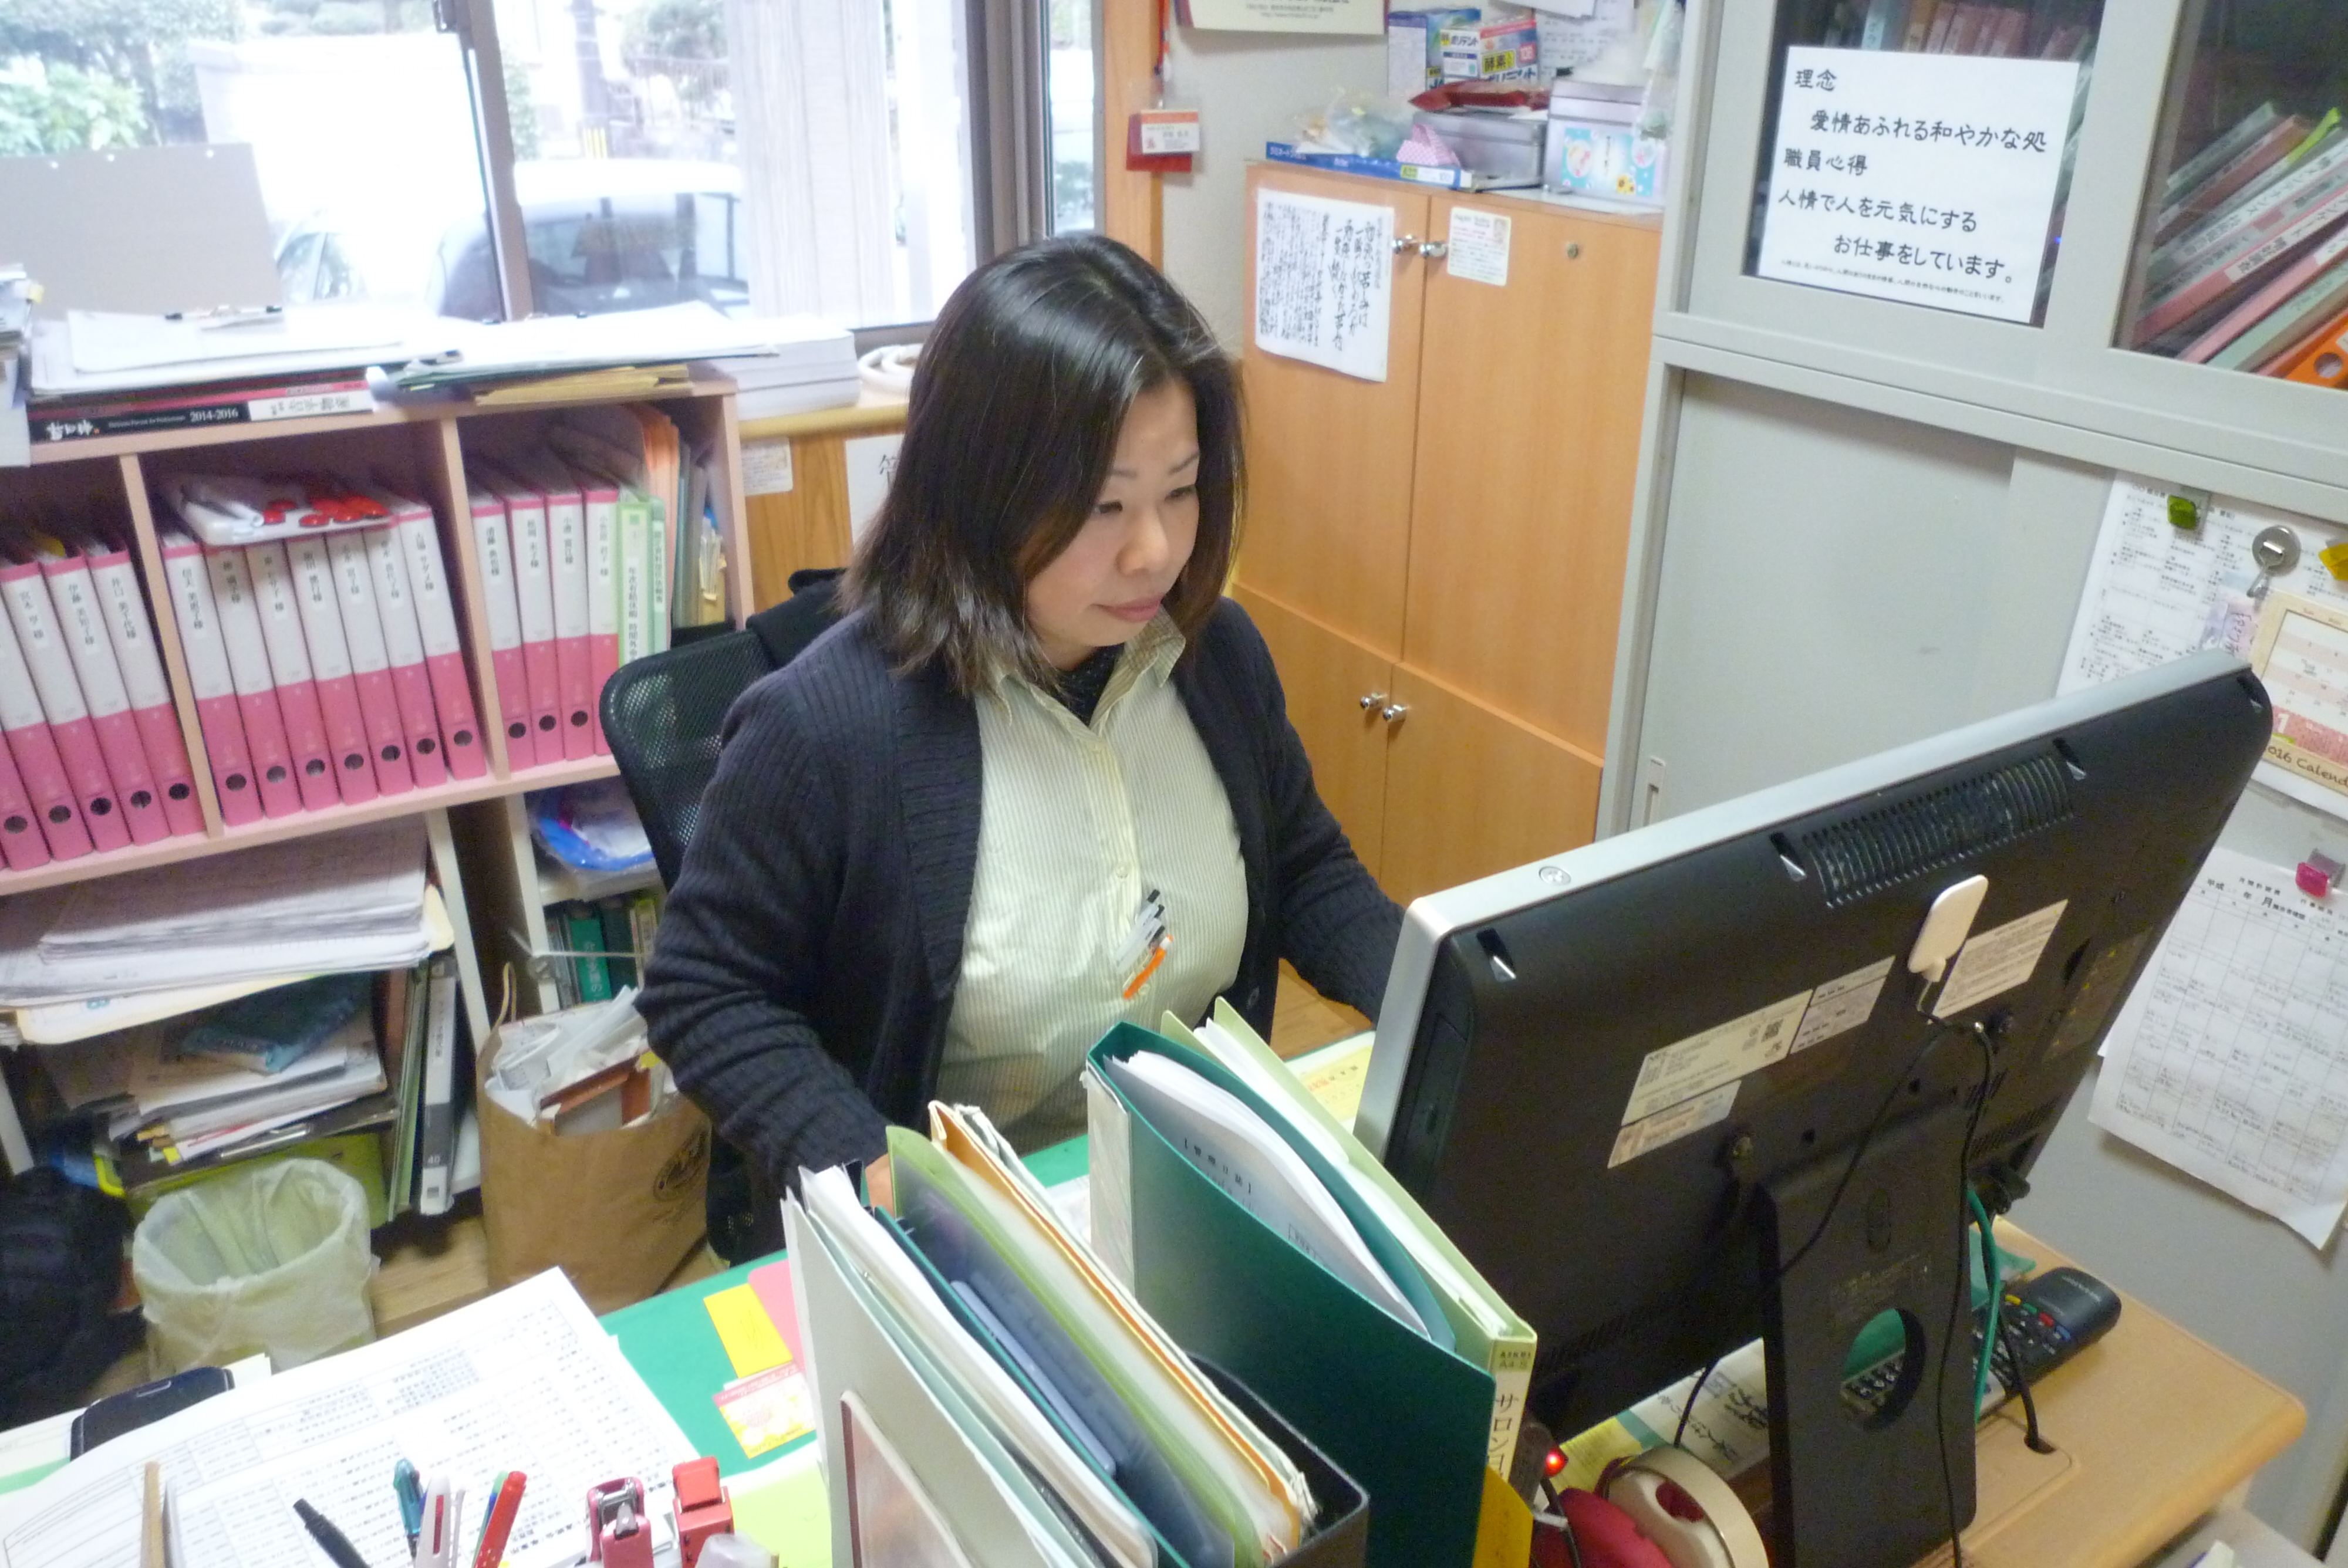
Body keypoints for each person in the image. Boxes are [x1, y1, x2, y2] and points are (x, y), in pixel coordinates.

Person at [637, 232, 1402, 1211]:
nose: (1156, 552)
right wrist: (873, 1171)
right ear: (978, 496)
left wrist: (1439, 1011)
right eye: (1103, 508)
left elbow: (1303, 866)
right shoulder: (826, 731)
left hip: (1183, 1185)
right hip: (977, 1223)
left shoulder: (1216, 661)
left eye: (1181, 490)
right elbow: (706, 991)